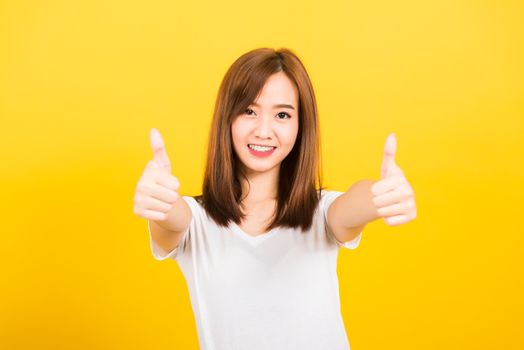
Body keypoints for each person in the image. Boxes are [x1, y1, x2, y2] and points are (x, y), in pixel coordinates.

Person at [133, 47, 417, 350]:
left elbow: (351, 207)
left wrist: (379, 197)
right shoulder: (196, 222)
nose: (264, 130)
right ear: (226, 119)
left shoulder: (320, 213)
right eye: (249, 111)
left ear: (300, 125)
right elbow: (172, 219)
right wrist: (158, 200)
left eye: (282, 114)